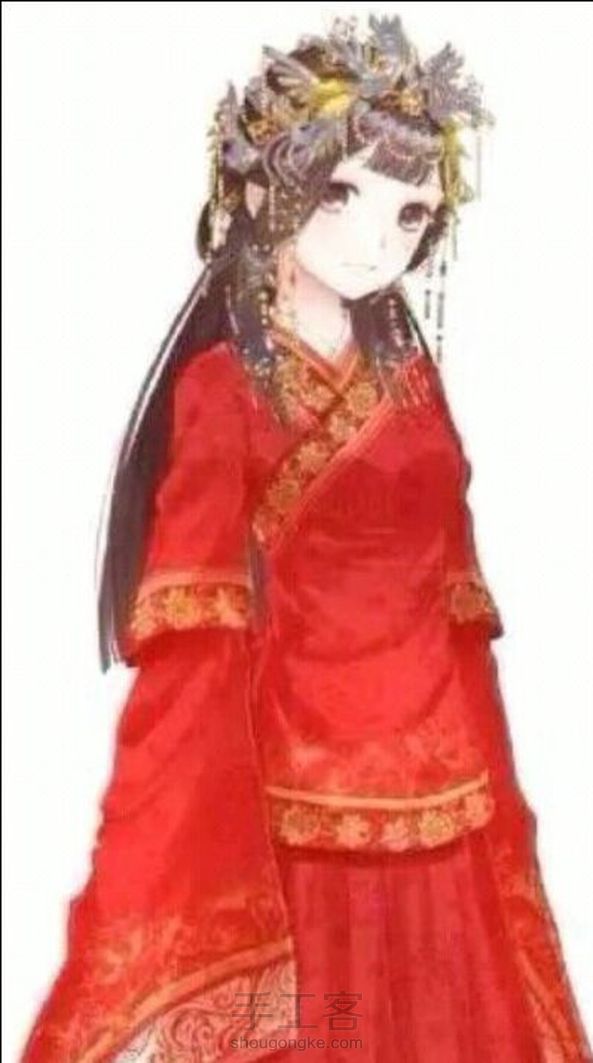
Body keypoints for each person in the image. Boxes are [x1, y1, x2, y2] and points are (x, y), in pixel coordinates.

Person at [19, 14, 591, 1063]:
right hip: (295, 787)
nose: (378, 241)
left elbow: (452, 601)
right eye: (342, 196)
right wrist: (185, 806)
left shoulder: (411, 383)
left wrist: (491, 778)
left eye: (410, 213)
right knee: (332, 1028)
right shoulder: (220, 388)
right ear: (261, 193)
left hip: (442, 782)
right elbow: (197, 635)